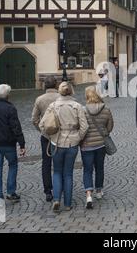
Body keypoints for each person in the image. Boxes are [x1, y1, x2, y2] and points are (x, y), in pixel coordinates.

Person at [40, 82, 89, 212]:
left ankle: (56, 199)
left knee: (56, 172)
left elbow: (42, 125)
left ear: (59, 91)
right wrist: (78, 137)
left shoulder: (53, 106)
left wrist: (51, 137)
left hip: (57, 142)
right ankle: (67, 203)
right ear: (71, 91)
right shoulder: (77, 106)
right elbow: (85, 127)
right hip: (72, 143)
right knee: (68, 173)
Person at [81, 86, 114, 209]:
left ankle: (89, 194)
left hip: (86, 145)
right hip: (100, 144)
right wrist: (104, 133)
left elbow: (81, 127)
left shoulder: (83, 110)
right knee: (99, 168)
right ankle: (99, 191)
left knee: (87, 170)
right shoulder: (106, 109)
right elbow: (110, 126)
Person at [31, 76, 60, 202]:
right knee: (60, 163)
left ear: (45, 86)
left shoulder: (40, 99)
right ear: (56, 85)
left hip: (46, 135)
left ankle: (48, 191)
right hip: (61, 135)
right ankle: (60, 188)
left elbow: (34, 119)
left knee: (46, 163)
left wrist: (42, 129)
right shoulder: (61, 98)